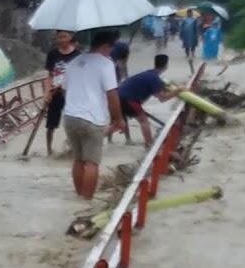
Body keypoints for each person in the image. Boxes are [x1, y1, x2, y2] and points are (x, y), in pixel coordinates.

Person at [60, 30, 125, 200]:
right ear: (105, 46)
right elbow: (112, 95)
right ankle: (86, 202)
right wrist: (118, 119)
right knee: (91, 162)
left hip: (70, 117)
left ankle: (79, 196)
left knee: (78, 160)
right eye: (110, 48)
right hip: (92, 119)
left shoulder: (74, 62)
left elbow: (64, 90)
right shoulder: (106, 64)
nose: (111, 52)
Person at [117, 54, 183, 147]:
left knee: (115, 124)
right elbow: (162, 98)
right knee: (144, 121)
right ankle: (150, 144)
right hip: (128, 99)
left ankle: (112, 142)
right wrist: (177, 91)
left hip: (117, 96)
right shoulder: (154, 79)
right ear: (166, 66)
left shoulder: (149, 74)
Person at [42, 30, 81, 156]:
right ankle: (49, 150)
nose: (62, 40)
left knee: (73, 121)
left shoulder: (78, 55)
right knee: (51, 123)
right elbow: (49, 75)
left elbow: (80, 76)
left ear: (70, 37)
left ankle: (73, 147)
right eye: (59, 37)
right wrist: (47, 92)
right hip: (55, 92)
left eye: (64, 36)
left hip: (72, 92)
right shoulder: (53, 54)